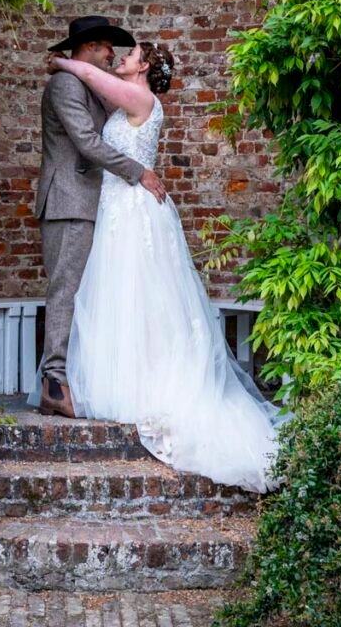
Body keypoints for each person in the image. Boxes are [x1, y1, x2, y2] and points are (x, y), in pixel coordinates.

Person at [48, 41, 283, 492]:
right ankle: (128, 379)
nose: (120, 57)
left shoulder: (139, 97)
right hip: (119, 206)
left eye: (130, 53)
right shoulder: (133, 96)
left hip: (132, 211)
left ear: (146, 66)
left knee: (138, 295)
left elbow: (94, 78)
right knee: (126, 298)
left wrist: (60, 60)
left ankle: (145, 386)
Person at [34, 15, 167, 418]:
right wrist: (138, 171)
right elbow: (88, 142)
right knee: (65, 289)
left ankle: (75, 376)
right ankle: (54, 383)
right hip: (67, 202)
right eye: (109, 46)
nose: (114, 54)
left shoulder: (84, 82)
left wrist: (65, 62)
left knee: (83, 292)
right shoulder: (64, 86)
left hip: (89, 203)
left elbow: (121, 103)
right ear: (90, 46)